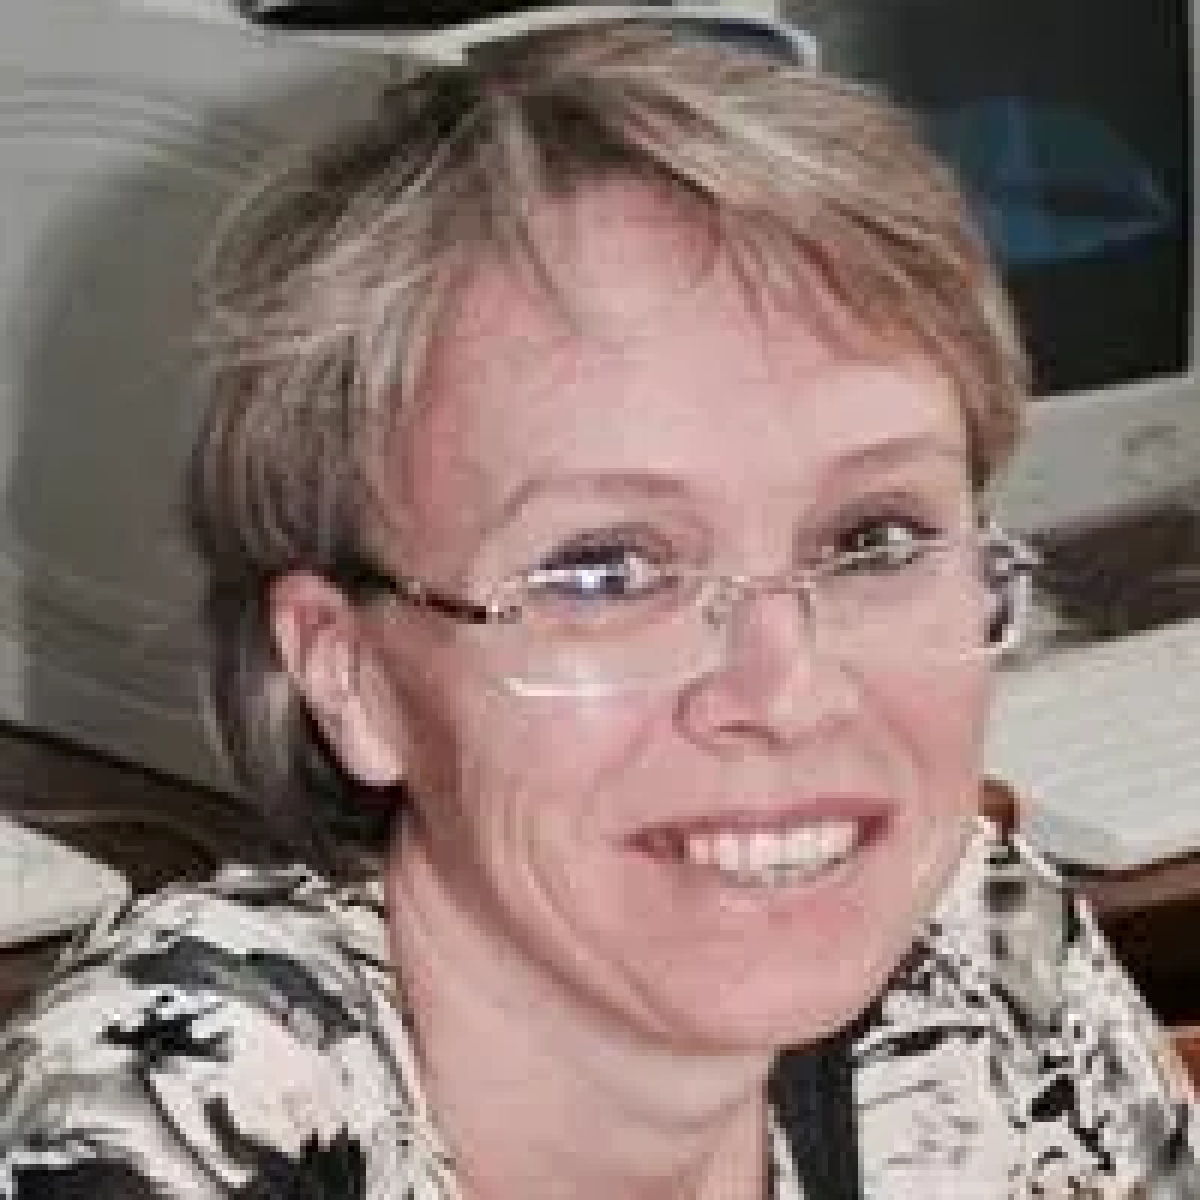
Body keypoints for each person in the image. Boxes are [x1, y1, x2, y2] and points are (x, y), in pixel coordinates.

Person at [1, 16, 1195, 1199]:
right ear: (349, 674)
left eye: (870, 540)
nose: (787, 692)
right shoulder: (185, 1114)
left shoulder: (980, 954)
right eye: (606, 570)